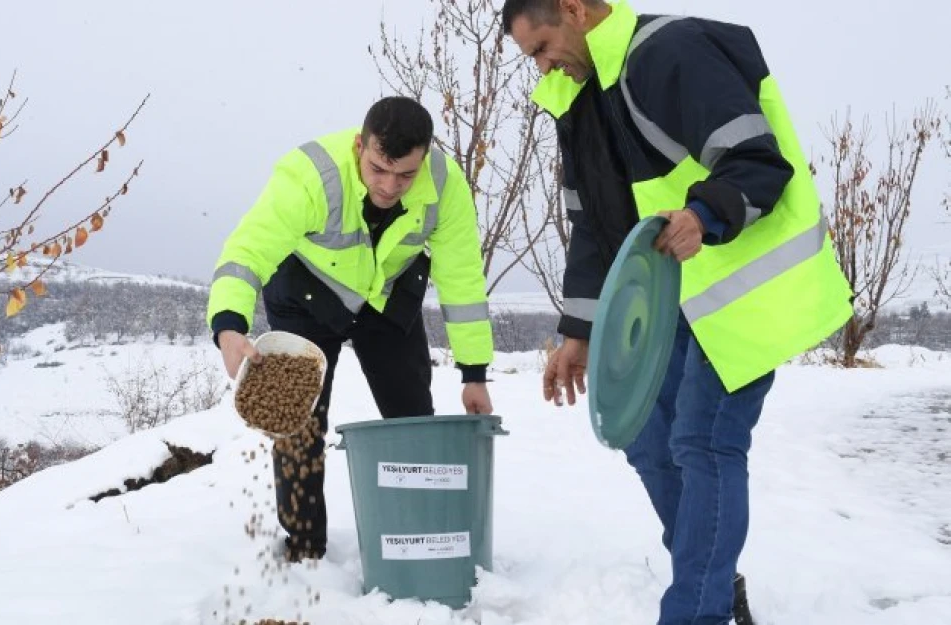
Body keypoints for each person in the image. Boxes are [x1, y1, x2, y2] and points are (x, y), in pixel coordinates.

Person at [501, 1, 853, 623]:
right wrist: (579, 332)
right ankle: (712, 580)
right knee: (644, 435)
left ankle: (697, 610)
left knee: (704, 439)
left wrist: (704, 214)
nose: (540, 64)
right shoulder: (582, 100)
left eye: (542, 45)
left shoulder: (670, 53)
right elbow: (595, 227)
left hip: (746, 289)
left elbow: (756, 160)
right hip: (677, 297)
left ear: (576, 10)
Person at [206, 96, 495, 563]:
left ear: (425, 157)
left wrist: (474, 372)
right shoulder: (310, 176)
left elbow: (462, 280)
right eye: (379, 168)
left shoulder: (444, 185)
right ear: (360, 145)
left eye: (406, 175)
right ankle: (305, 548)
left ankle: (419, 537)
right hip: (306, 293)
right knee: (298, 421)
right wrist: (228, 326)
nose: (390, 187)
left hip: (386, 294)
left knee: (411, 417)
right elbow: (247, 251)